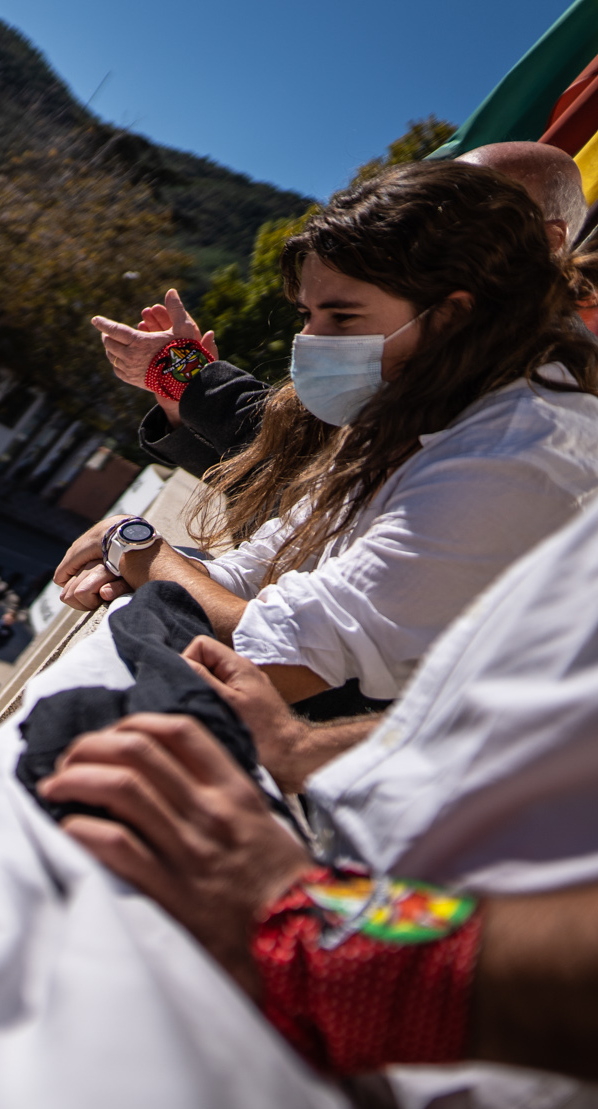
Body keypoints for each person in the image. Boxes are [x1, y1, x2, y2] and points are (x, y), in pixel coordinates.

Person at [57, 161, 598, 710]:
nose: (310, 342)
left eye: (341, 318)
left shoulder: (519, 455)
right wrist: (165, 570)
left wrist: (135, 546)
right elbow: (266, 560)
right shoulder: (412, 398)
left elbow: (275, 660)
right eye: (307, 315)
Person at [98, 141, 591, 479]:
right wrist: (180, 389)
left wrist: (186, 378)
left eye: (475, 208)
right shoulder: (410, 325)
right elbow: (288, 472)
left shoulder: (542, 400)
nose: (432, 221)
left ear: (550, 241)